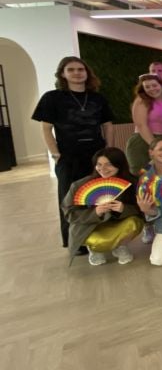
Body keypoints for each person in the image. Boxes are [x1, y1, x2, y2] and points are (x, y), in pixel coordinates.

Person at [32, 56, 114, 250]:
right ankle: (75, 243)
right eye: (71, 70)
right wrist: (55, 154)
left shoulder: (97, 98)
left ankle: (100, 239)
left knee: (98, 196)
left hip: (96, 155)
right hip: (68, 156)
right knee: (69, 198)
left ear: (87, 73)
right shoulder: (52, 97)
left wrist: (108, 151)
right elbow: (46, 128)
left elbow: (108, 126)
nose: (77, 73)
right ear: (63, 74)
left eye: (81, 69)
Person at [62, 147, 143, 266]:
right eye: (99, 164)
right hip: (91, 228)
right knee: (96, 240)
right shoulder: (79, 185)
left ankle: (120, 245)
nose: (103, 169)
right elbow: (69, 213)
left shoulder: (132, 183)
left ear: (119, 165)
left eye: (108, 164)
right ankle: (94, 249)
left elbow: (142, 211)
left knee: (135, 223)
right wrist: (95, 212)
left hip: (117, 225)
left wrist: (123, 209)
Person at [126, 74, 162, 175]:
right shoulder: (142, 101)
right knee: (143, 177)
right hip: (143, 142)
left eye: (154, 85)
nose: (151, 89)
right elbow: (141, 125)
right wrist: (156, 147)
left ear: (161, 86)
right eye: (147, 87)